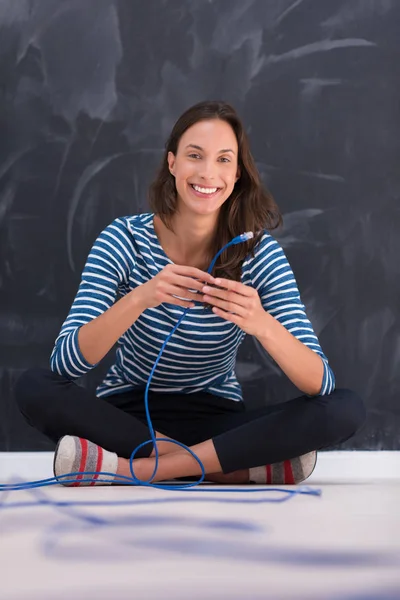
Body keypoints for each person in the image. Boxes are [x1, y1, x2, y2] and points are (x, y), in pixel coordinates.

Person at [15, 100, 366, 486]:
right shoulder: (122, 239)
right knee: (34, 386)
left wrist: (262, 324)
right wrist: (139, 298)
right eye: (194, 156)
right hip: (127, 416)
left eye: (223, 160)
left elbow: (323, 384)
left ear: (236, 175)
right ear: (172, 164)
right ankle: (230, 469)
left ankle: (130, 469)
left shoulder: (259, 253)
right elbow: (63, 366)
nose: (207, 173)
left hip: (218, 419)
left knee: (344, 408)